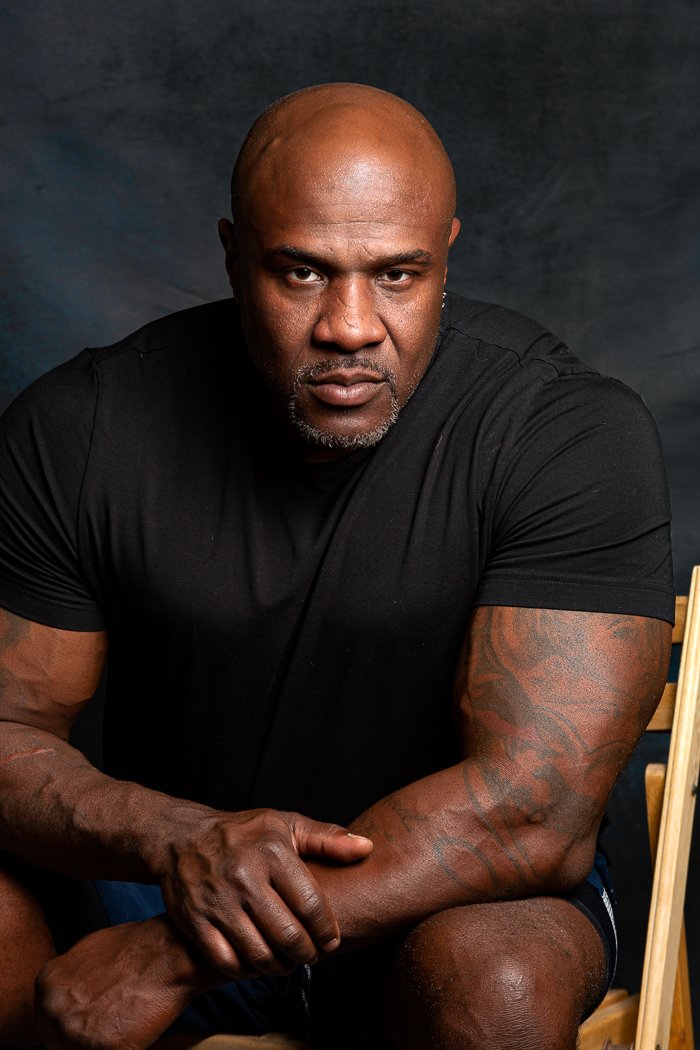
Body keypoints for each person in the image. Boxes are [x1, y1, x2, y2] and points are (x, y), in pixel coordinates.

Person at [0, 82, 673, 1050]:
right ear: (234, 258)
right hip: (155, 880)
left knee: (502, 980)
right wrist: (174, 840)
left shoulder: (562, 433)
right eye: (303, 274)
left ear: (447, 251)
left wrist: (179, 950)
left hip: (441, 907)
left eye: (397, 276)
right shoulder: (84, 429)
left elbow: (534, 812)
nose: (351, 327)